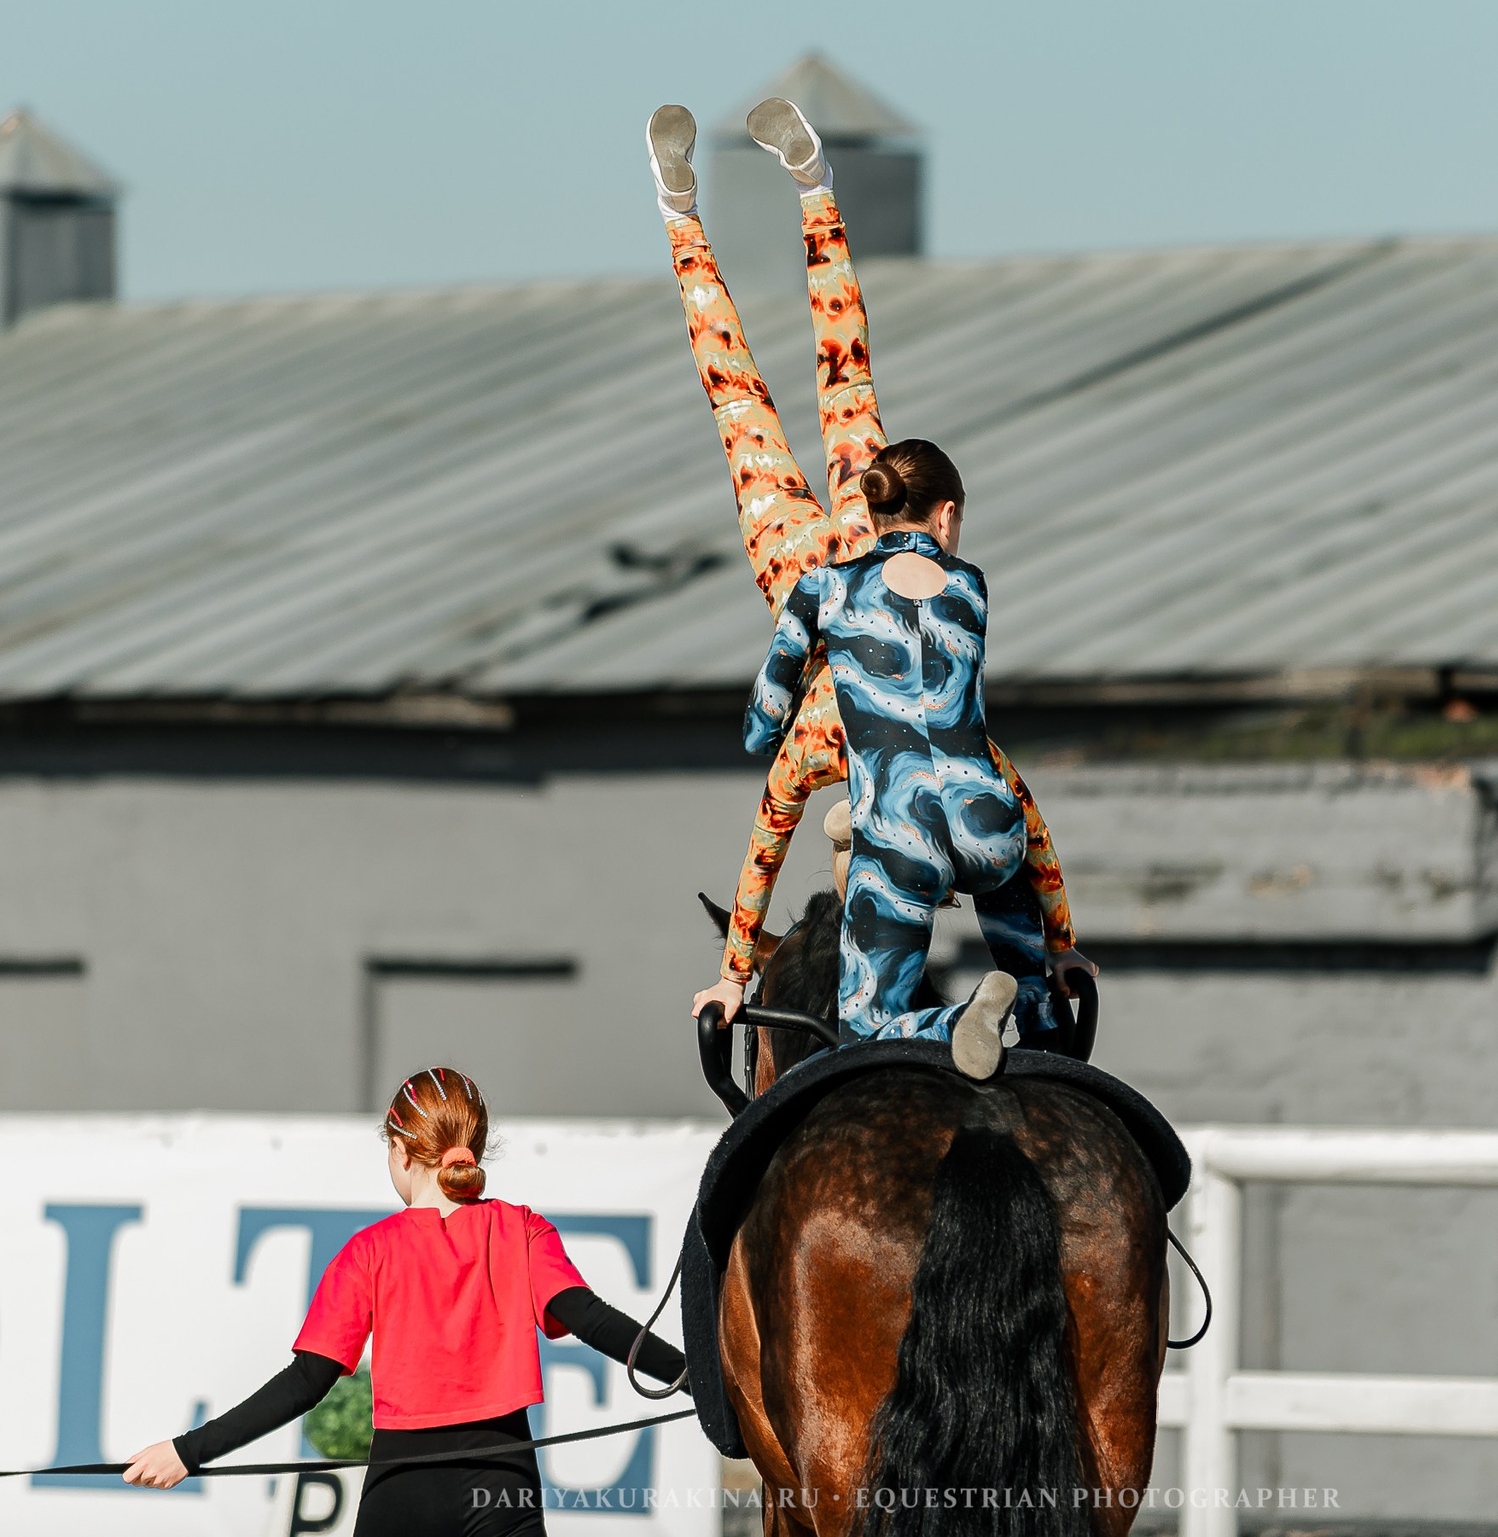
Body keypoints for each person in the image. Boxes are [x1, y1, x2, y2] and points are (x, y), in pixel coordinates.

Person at [645, 98, 1094, 1056]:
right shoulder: (905, 665)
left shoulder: (822, 727)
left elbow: (770, 820)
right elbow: (1010, 802)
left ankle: (769, 197)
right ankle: (729, 205)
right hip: (847, 529)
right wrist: (1061, 942)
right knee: (769, 393)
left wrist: (734, 970)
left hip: (840, 546)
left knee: (800, 386)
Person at [121, 1066, 684, 1537]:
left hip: (401, 1490)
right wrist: (698, 1376)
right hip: (502, 1481)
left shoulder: (369, 1251)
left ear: (398, 1149)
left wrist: (188, 1451)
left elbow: (307, 1381)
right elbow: (592, 1319)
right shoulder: (522, 1229)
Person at [734, 436, 1056, 1081]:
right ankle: (1035, 1005)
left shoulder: (823, 588)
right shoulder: (972, 586)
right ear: (944, 516)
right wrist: (1064, 949)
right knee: (1043, 1011)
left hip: (904, 835)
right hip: (990, 822)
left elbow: (758, 730)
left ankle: (959, 1019)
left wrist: (805, 710)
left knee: (864, 1031)